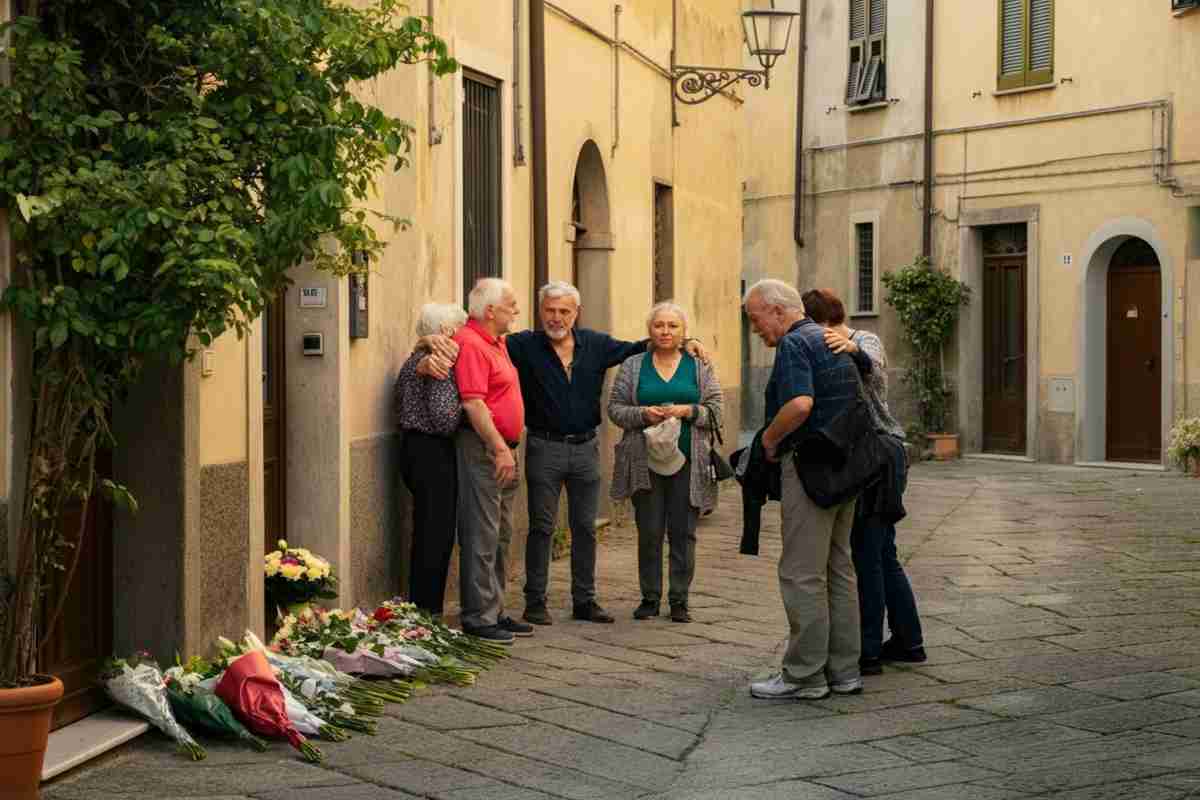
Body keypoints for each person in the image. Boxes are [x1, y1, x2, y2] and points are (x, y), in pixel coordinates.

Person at [504, 281, 707, 626]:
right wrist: (430, 340)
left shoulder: (596, 345)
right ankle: (535, 601)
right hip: (543, 447)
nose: (557, 317)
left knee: (584, 527)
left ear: (576, 313)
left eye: (564, 311)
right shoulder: (522, 345)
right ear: (541, 312)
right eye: (550, 310)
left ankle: (584, 600)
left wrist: (689, 342)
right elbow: (480, 342)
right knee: (541, 526)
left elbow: (643, 345)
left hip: (586, 448)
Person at [743, 279, 862, 700]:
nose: (755, 329)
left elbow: (799, 405)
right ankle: (845, 671)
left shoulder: (795, 344)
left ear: (777, 311)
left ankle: (804, 675)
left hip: (811, 468)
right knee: (838, 568)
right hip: (846, 466)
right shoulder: (828, 339)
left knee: (801, 573)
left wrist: (770, 440)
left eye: (755, 318)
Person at [802, 289, 925, 675]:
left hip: (878, 456)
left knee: (868, 556)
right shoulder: (822, 344)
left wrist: (851, 350)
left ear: (819, 322)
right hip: (862, 457)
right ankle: (909, 641)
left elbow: (873, 364)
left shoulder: (863, 339)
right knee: (881, 554)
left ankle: (868, 649)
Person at [608, 302, 723, 623]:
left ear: (684, 332)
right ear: (650, 330)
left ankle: (679, 599)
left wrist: (689, 411)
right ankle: (649, 597)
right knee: (649, 530)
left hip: (689, 461)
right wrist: (643, 414)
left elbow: (716, 409)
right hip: (644, 461)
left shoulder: (699, 366)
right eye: (659, 325)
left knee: (684, 531)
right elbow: (615, 409)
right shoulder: (632, 366)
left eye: (673, 326)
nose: (665, 331)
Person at [453, 277, 531, 644]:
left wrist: (509, 445)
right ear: (489, 311)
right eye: (510, 304)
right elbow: (473, 402)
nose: (516, 310)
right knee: (482, 533)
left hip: (505, 447)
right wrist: (500, 447)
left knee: (501, 533)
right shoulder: (470, 344)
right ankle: (479, 616)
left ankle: (496, 609)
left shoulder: (496, 342)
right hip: (484, 449)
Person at [394, 303, 468, 617]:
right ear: (448, 332)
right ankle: (427, 609)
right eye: (461, 329)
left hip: (413, 449)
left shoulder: (414, 359)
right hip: (432, 451)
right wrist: (472, 407)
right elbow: (444, 419)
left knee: (427, 531)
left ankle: (423, 606)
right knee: (435, 534)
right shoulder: (436, 363)